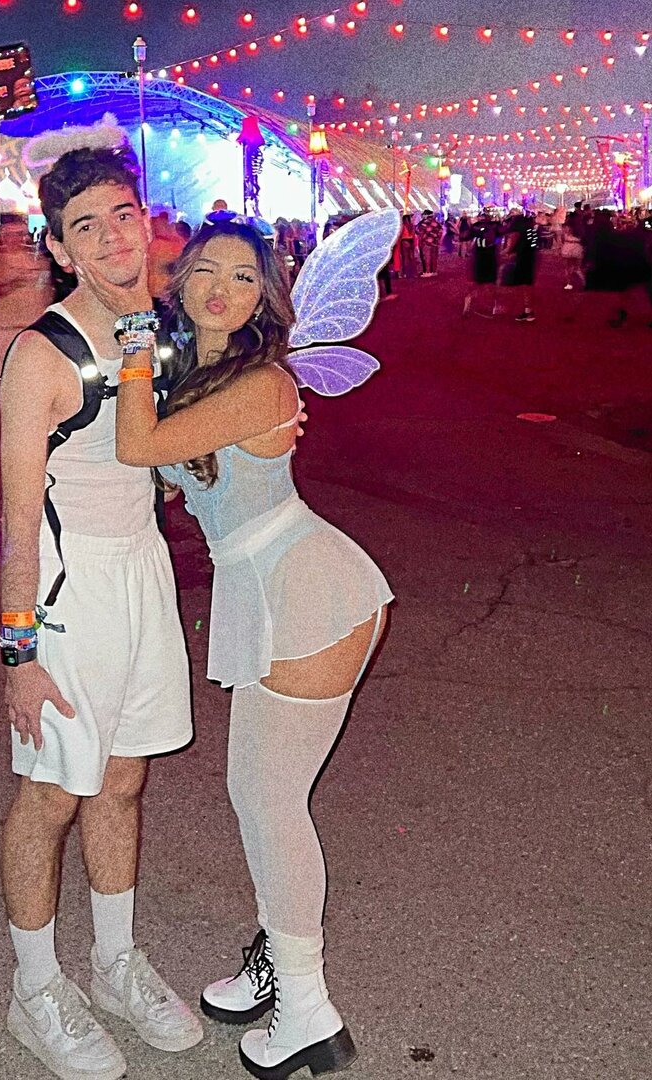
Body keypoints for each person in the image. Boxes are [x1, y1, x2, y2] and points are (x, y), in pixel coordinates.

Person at [106, 218, 392, 1079]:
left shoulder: (262, 383)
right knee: (260, 797)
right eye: (206, 271)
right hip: (266, 585)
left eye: (243, 276)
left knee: (270, 804)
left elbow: (138, 445)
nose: (222, 289)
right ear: (183, 279)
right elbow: (165, 470)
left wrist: (131, 341)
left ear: (265, 296)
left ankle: (307, 1010)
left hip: (304, 589)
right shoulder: (204, 376)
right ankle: (279, 965)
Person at [0, 133, 202, 1080]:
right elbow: (16, 518)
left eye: (124, 215)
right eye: (87, 227)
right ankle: (36, 988)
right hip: (67, 591)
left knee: (122, 782)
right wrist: (19, 653)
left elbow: (171, 453)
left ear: (145, 222)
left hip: (144, 575)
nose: (115, 238)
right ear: (61, 248)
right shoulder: (43, 355)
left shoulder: (162, 328)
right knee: (52, 795)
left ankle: (115, 964)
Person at [0, 216, 53, 433]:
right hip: (0, 329)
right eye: (11, 234)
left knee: (30, 375)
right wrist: (10, 283)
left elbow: (47, 291)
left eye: (20, 234)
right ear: (2, 235)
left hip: (32, 327)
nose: (17, 239)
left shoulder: (38, 260)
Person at [463, 209, 500, 316]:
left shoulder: (477, 227)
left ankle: (469, 306)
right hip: (487, 257)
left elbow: (465, 237)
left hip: (482, 257)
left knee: (477, 282)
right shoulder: (493, 226)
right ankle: (492, 307)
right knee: (487, 283)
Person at [503, 211, 539, 322]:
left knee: (524, 286)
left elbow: (509, 248)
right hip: (531, 258)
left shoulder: (517, 232)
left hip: (522, 260)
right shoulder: (531, 230)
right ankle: (528, 311)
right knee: (527, 285)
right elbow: (533, 244)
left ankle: (528, 312)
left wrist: (502, 253)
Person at [416, 210, 442, 277]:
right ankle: (434, 271)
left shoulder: (424, 223)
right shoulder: (437, 223)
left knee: (427, 257)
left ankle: (428, 272)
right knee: (434, 257)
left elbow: (420, 232)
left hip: (426, 242)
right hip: (435, 242)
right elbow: (440, 232)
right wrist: (437, 238)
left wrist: (421, 241)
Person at [398, 213, 418, 278]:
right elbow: (414, 234)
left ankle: (405, 273)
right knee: (412, 258)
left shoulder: (402, 226)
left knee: (405, 258)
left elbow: (400, 235)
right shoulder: (412, 226)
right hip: (411, 241)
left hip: (404, 241)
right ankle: (414, 273)